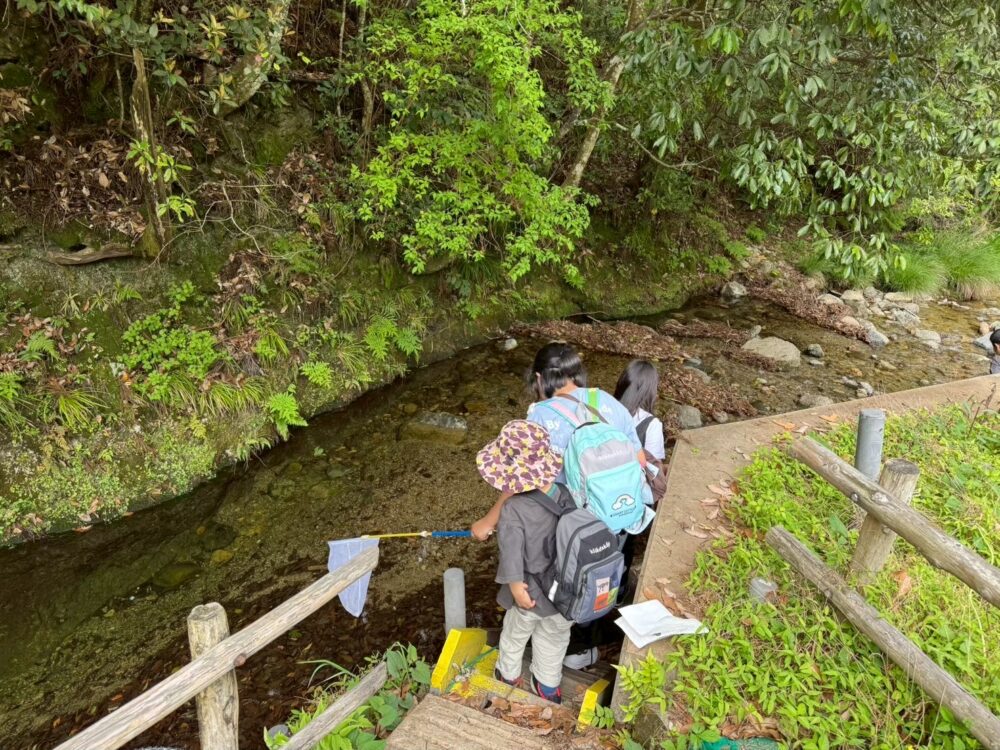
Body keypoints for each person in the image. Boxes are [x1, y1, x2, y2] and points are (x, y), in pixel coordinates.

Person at [471, 342, 648, 540]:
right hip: (617, 512)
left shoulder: (540, 416)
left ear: (538, 378)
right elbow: (640, 461)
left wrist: (487, 523)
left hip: (572, 524)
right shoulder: (606, 400)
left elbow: (519, 480)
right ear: (574, 372)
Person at [476, 419, 575, 703]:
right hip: (564, 593)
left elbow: (511, 555)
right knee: (554, 639)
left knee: (515, 634)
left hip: (531, 592)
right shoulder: (563, 494)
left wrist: (517, 588)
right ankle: (547, 686)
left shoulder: (513, 510)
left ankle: (507, 675)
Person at [614, 359, 668, 503]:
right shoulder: (651, 424)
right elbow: (653, 471)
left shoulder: (604, 409)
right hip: (632, 496)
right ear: (650, 391)